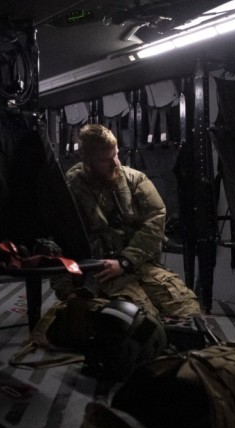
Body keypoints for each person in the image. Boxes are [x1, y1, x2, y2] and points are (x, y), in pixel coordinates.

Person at [56, 123, 201, 318]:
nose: (115, 163)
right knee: (139, 319)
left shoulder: (134, 180)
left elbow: (156, 218)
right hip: (100, 273)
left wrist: (125, 261)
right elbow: (59, 239)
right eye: (105, 159)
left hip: (138, 264)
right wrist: (71, 290)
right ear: (87, 161)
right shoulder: (70, 189)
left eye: (116, 154)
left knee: (188, 311)